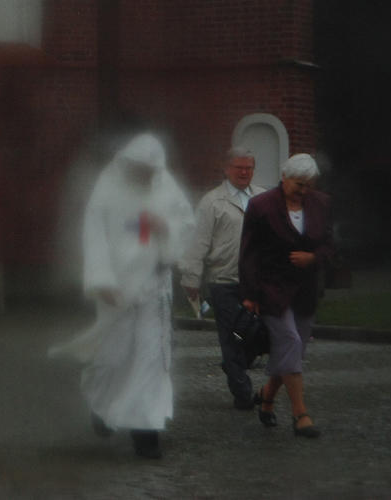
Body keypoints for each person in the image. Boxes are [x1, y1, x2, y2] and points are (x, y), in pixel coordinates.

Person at [52, 133, 194, 459]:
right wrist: (101, 279)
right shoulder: (107, 189)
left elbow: (185, 222)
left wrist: (165, 228)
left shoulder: (165, 186)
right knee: (114, 355)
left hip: (154, 287)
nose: (145, 177)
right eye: (140, 170)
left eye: (150, 171)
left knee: (151, 357)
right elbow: (94, 236)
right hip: (117, 287)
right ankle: (102, 405)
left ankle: (146, 430)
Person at [239, 153, 333, 439]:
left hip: (304, 290)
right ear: (284, 177)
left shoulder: (321, 204)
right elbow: (249, 253)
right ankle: (300, 414)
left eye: (308, 185)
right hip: (272, 288)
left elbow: (330, 244)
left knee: (294, 350)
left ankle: (267, 397)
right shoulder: (261, 206)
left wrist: (313, 258)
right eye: (298, 184)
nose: (303, 191)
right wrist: (250, 293)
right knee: (290, 341)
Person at [179, 146, 266, 410]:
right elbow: (198, 241)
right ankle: (243, 394)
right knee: (231, 336)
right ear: (227, 169)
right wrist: (191, 277)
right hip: (223, 280)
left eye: (249, 168)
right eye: (239, 167)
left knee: (259, 333)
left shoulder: (263, 198)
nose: (244, 172)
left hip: (256, 281)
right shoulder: (212, 202)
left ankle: (234, 364)